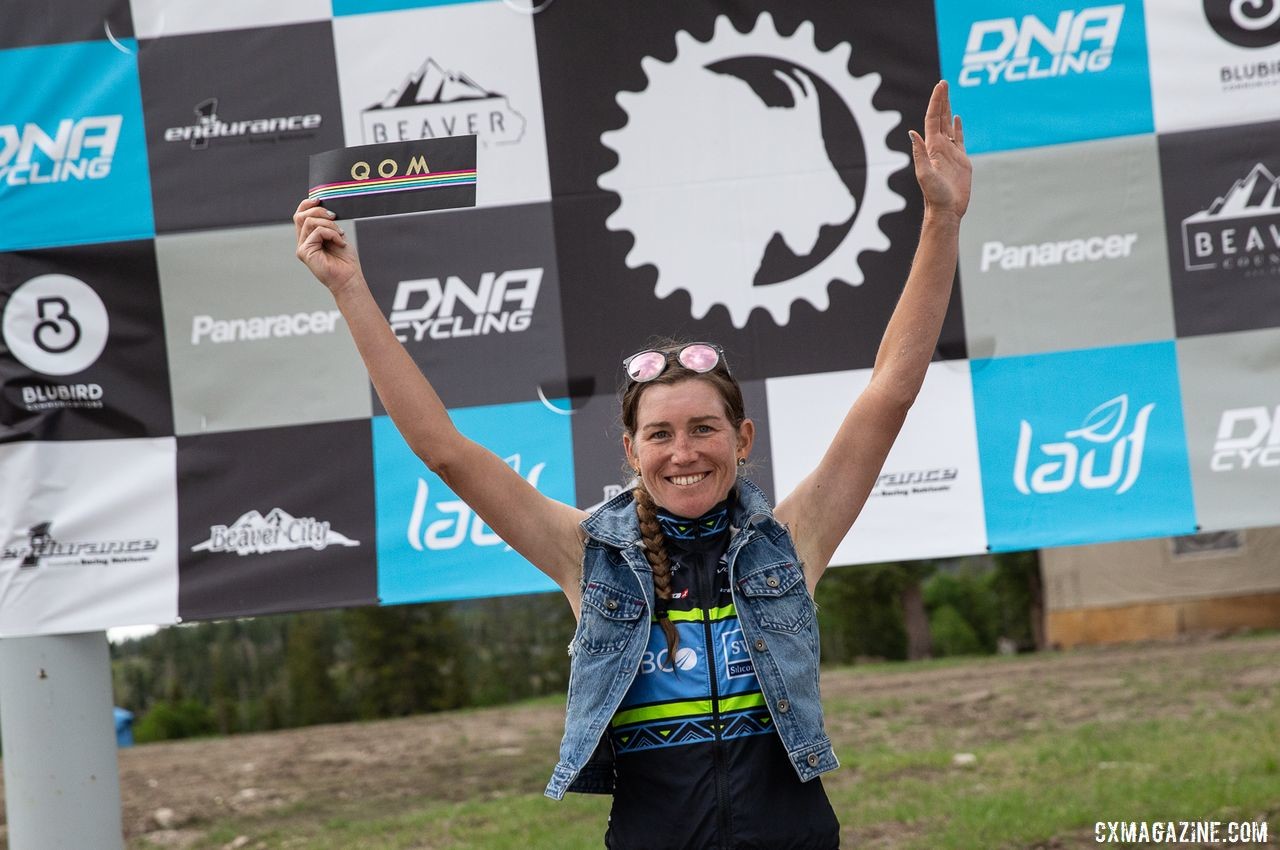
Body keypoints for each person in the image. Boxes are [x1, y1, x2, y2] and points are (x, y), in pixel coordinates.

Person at [294, 80, 971, 849]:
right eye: (660, 435)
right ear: (630, 450)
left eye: (704, 429)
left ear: (742, 438)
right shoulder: (589, 553)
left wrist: (941, 218)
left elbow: (890, 391)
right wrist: (349, 287)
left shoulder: (794, 536)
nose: (683, 453)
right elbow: (444, 451)